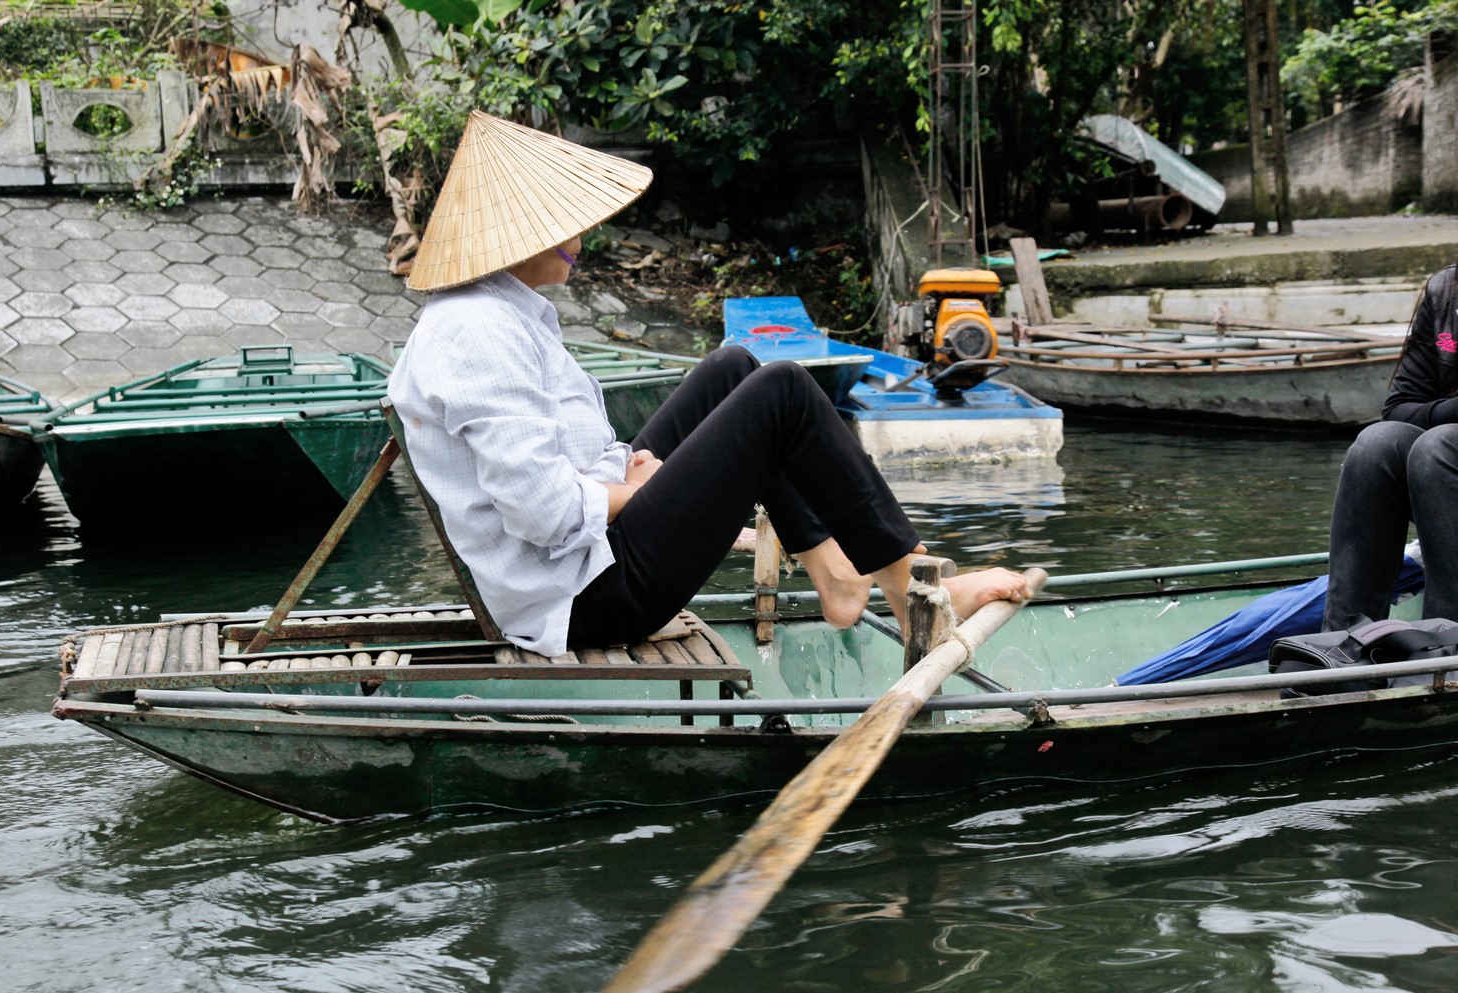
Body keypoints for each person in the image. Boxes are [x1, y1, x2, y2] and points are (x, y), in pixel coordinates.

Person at [387, 110, 1030, 657]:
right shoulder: (479, 333)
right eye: (569, 223)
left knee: (734, 368)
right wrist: (635, 491)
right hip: (587, 596)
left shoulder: (500, 315)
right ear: (526, 237)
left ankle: (834, 569)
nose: (583, 236)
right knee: (782, 392)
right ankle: (915, 589)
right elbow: (542, 511)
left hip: (590, 554)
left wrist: (625, 479)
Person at [1324, 265, 1458, 631]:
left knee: (1438, 447)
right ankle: (1345, 640)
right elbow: (1400, 408)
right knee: (1376, 445)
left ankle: (1444, 641)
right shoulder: (1446, 290)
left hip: (1444, 458)